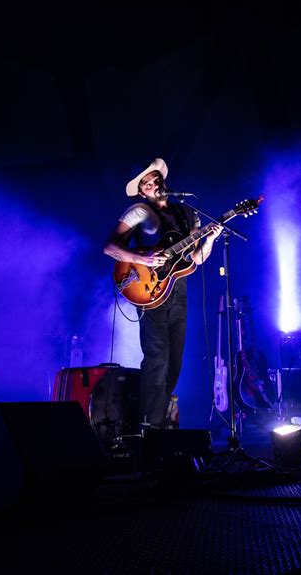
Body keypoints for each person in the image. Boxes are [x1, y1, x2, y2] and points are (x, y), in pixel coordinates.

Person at [103, 158, 223, 428]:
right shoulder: (138, 212)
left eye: (157, 179)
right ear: (142, 190)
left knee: (176, 359)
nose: (154, 184)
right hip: (149, 288)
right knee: (157, 356)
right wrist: (143, 259)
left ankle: (160, 418)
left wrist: (210, 239)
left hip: (178, 288)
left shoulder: (187, 213)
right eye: (148, 183)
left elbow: (196, 259)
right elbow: (110, 247)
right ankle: (150, 426)